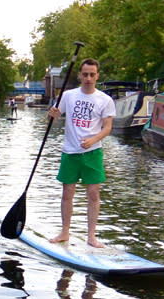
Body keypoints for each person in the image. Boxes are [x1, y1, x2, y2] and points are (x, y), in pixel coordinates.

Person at [47, 58, 115, 248]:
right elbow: (53, 117)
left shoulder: (105, 100)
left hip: (93, 153)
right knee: (67, 192)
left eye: (92, 74)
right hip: (70, 152)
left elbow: (108, 127)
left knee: (93, 194)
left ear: (97, 76)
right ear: (79, 75)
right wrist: (51, 115)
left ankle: (91, 236)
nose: (88, 78)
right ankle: (64, 232)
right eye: (85, 74)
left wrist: (93, 140)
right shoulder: (68, 96)